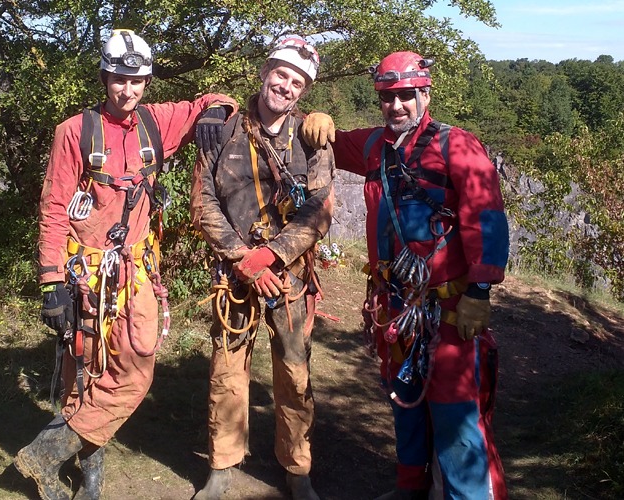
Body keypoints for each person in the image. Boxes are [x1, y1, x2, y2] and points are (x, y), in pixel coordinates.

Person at [14, 28, 237, 500]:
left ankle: (46, 452)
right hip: (85, 277)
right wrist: (50, 281)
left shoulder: (157, 123)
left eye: (137, 81)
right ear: (104, 77)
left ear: (147, 82)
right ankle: (88, 476)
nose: (127, 90)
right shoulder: (74, 132)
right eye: (119, 79)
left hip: (136, 273)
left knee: (136, 370)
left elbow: (214, 100)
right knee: (85, 372)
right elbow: (54, 209)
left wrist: (218, 109)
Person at [301, 51, 509, 499]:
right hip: (395, 306)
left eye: (405, 96)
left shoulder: (457, 145)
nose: (396, 106)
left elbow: (485, 215)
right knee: (406, 403)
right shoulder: (376, 145)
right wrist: (313, 116)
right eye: (387, 98)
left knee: (457, 416)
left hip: (449, 308)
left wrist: (479, 290)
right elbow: (327, 138)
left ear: (424, 94)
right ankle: (410, 489)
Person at [190, 37, 335, 500]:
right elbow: (203, 202)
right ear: (265, 71)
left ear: (303, 91)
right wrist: (242, 257)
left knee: (294, 371)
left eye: (297, 82)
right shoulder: (222, 130)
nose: (286, 87)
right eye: (282, 74)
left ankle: (297, 469)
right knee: (227, 368)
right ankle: (223, 463)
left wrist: (273, 255)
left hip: (288, 274)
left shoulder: (311, 138)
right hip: (234, 275)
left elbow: (319, 209)